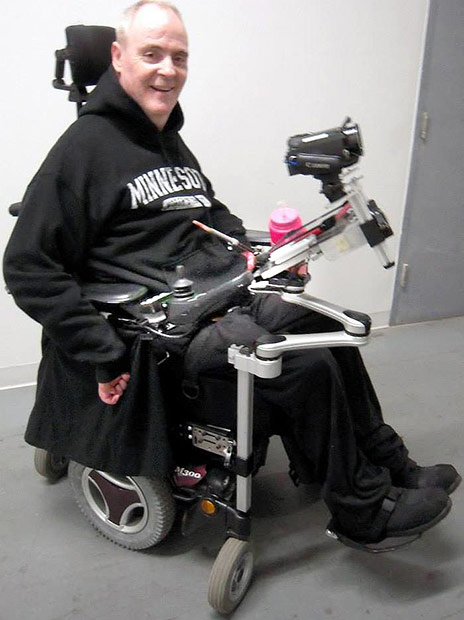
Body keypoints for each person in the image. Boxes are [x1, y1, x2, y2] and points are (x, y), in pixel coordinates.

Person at [3, 0, 460, 545]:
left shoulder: (167, 139)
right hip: (167, 324)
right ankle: (360, 509)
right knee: (301, 364)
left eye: (179, 57)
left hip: (221, 289)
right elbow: (27, 266)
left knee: (331, 329)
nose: (168, 69)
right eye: (152, 54)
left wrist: (257, 253)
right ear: (117, 58)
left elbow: (208, 212)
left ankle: (390, 464)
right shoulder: (83, 151)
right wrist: (99, 348)